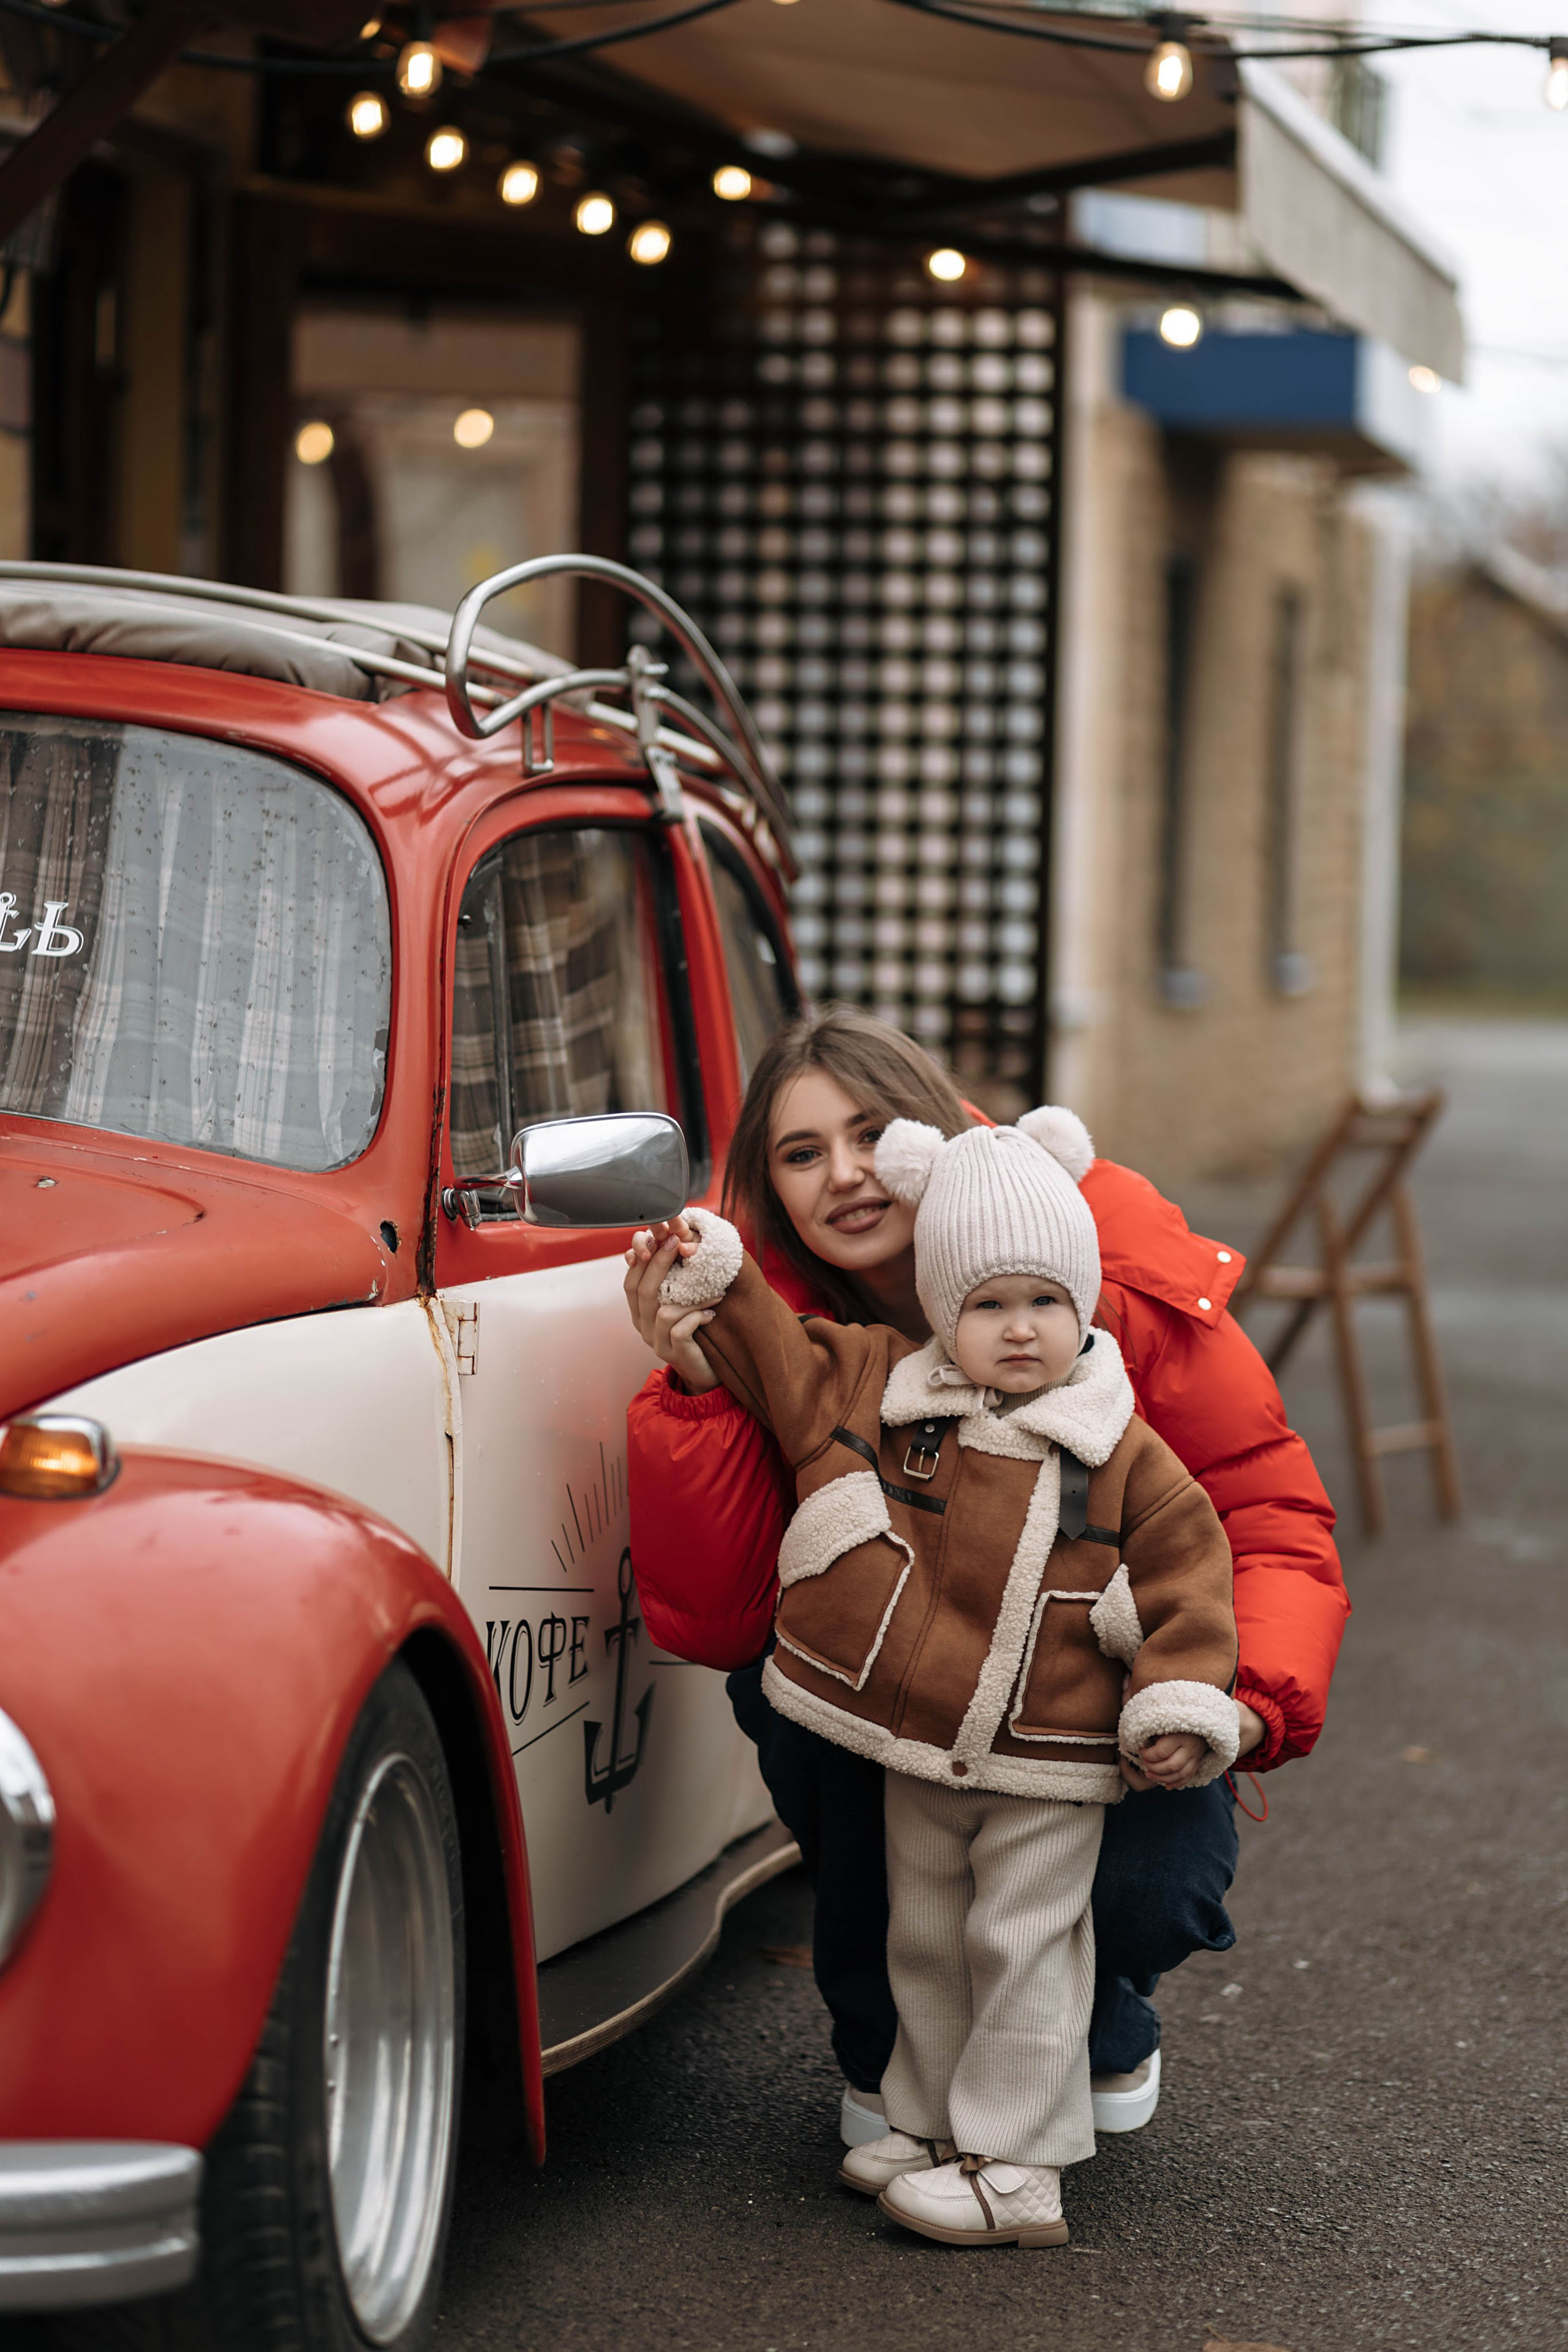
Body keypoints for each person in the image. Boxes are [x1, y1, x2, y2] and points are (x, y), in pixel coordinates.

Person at [624, 1006, 1348, 2143]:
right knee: (786, 1694)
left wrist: (1239, 1702)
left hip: (1096, 1682)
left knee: (1152, 1893)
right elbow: (724, 1616)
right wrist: (704, 1396)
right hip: (900, 1686)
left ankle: (1096, 2012)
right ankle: (890, 2048)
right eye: (801, 1154)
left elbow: (1264, 1511)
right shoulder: (785, 1324)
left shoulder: (1101, 1268)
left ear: (927, 1138)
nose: (848, 1178)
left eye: (871, 1136)